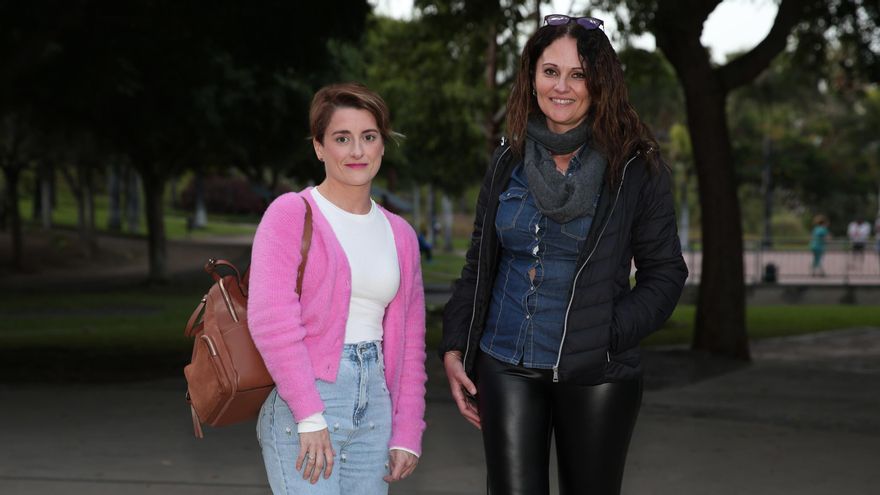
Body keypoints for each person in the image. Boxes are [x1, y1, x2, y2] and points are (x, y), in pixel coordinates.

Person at [440, 15, 688, 495]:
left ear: (600, 83)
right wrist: (455, 346)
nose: (562, 86)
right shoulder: (507, 161)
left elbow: (665, 275)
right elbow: (478, 266)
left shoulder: (636, 168)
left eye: (578, 74)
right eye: (550, 71)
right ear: (532, 78)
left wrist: (606, 334)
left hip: (597, 372)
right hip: (505, 362)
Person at [248, 82, 426, 494]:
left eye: (369, 137)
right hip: (306, 404)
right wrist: (309, 415)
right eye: (342, 138)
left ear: (383, 144)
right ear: (319, 147)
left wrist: (407, 431)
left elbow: (410, 342)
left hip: (375, 409)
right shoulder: (291, 214)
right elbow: (271, 320)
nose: (357, 151)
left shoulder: (400, 234)